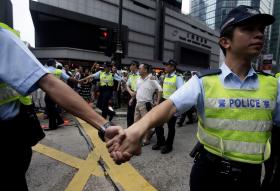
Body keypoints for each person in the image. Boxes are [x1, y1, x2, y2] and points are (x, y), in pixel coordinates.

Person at [106, 5, 280, 191]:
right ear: (225, 42)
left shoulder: (273, 85)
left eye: (261, 29)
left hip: (250, 177)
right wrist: (136, 130)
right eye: (248, 29)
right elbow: (171, 105)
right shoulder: (204, 81)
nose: (260, 34)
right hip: (209, 174)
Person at [0, 23, 121, 190]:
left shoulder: (2, 37)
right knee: (91, 106)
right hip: (43, 102)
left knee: (92, 106)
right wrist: (81, 81)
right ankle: (104, 114)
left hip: (11, 130)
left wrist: (104, 125)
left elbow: (51, 84)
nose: (105, 68)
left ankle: (107, 115)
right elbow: (87, 76)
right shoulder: (97, 73)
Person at [152, 59, 184, 154]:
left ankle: (169, 146)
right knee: (158, 123)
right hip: (163, 101)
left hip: (172, 103)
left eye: (167, 66)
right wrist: (158, 102)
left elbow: (181, 92)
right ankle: (161, 141)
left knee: (171, 126)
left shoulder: (178, 77)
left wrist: (176, 106)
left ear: (172, 67)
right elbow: (163, 89)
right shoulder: (165, 76)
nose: (165, 67)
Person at [133, 63, 162, 146]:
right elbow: (137, 91)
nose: (138, 69)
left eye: (140, 68)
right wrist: (132, 99)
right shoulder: (138, 79)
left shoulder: (151, 78)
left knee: (146, 124)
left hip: (146, 104)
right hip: (138, 103)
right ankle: (138, 137)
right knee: (136, 122)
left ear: (145, 70)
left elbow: (159, 89)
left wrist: (157, 101)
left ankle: (146, 139)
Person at [126, 60, 140, 127]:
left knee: (136, 115)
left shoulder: (140, 75)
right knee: (129, 114)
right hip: (131, 94)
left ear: (135, 66)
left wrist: (132, 97)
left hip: (138, 96)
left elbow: (140, 87)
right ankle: (129, 128)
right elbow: (127, 85)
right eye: (130, 65)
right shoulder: (131, 75)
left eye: (132, 65)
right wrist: (130, 92)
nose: (130, 66)